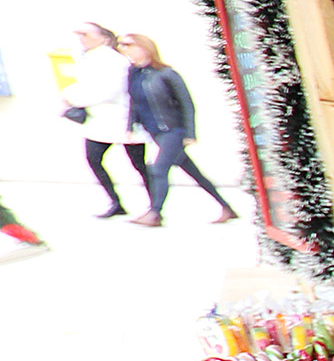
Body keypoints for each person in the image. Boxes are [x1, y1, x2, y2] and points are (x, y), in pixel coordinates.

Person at [120, 34, 240, 227]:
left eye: (129, 46)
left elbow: (187, 104)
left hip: (173, 130)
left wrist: (191, 133)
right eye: (123, 47)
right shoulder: (134, 73)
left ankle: (155, 214)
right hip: (155, 131)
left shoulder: (166, 73)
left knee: (158, 169)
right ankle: (227, 208)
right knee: (194, 173)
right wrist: (130, 125)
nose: (126, 50)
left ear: (145, 48)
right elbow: (134, 102)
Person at [59, 23, 143, 219]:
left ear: (103, 38)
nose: (82, 38)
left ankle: (154, 205)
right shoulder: (88, 58)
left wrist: (74, 98)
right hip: (99, 121)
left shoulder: (113, 60)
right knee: (94, 158)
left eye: (86, 34)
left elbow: (108, 91)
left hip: (118, 119)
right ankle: (115, 202)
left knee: (138, 163)